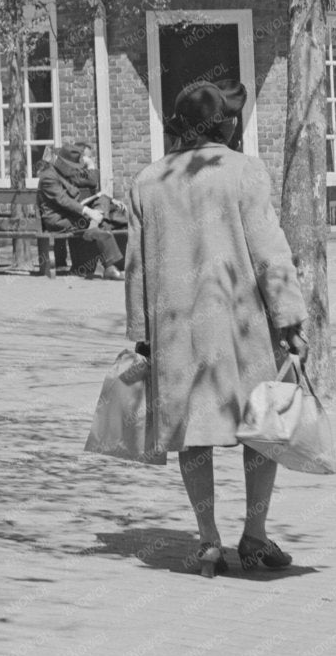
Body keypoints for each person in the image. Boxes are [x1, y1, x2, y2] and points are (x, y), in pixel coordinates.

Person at [126, 80, 308, 577]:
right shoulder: (244, 171)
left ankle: (208, 541)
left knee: (192, 435)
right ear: (223, 126)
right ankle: (255, 537)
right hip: (242, 326)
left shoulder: (147, 180)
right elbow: (271, 252)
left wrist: (141, 332)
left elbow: (136, 267)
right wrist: (290, 319)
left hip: (175, 330)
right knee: (260, 427)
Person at [36, 140, 124, 278]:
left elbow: (91, 181)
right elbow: (63, 200)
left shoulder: (66, 172)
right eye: (72, 166)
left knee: (105, 203)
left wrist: (107, 200)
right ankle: (111, 266)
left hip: (72, 215)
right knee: (104, 223)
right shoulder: (48, 177)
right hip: (59, 220)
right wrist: (88, 211)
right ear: (62, 163)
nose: (75, 169)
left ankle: (109, 265)